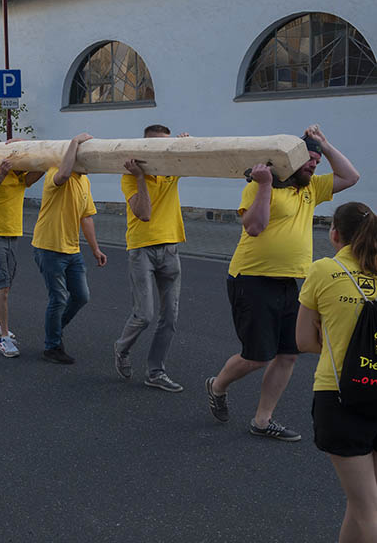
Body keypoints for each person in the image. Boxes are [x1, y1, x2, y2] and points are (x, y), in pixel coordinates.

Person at [206, 124, 359, 441]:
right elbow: (255, 227)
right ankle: (217, 385)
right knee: (257, 356)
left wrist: (325, 146)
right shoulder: (259, 185)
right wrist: (263, 185)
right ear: (290, 161)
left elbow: (351, 177)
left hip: (292, 282)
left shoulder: (311, 188)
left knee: (289, 354)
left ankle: (262, 421)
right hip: (252, 280)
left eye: (316, 162)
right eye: (309, 162)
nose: (314, 166)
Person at [297, 202, 377, 543]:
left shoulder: (323, 270)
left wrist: (333, 336)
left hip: (341, 396)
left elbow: (304, 342)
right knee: (364, 503)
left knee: (365, 508)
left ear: (334, 234)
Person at [114, 125, 188, 392]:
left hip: (170, 249)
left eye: (164, 145)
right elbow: (144, 213)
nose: (161, 150)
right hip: (141, 249)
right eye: (155, 145)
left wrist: (184, 145)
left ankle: (156, 372)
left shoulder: (171, 169)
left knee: (170, 317)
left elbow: (192, 157)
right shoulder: (128, 177)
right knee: (144, 315)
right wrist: (141, 177)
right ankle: (122, 349)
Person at [32, 134, 107, 364]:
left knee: (81, 296)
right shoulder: (55, 172)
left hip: (72, 250)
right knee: (58, 298)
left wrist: (95, 249)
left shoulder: (85, 181)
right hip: (49, 246)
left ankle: (53, 330)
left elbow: (87, 217)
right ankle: (52, 346)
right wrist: (73, 142)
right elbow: (63, 175)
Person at [0, 139, 44, 357]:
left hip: (12, 235)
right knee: (2, 287)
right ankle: (4, 337)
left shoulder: (21, 177)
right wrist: (1, 172)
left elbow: (42, 168)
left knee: (6, 285)